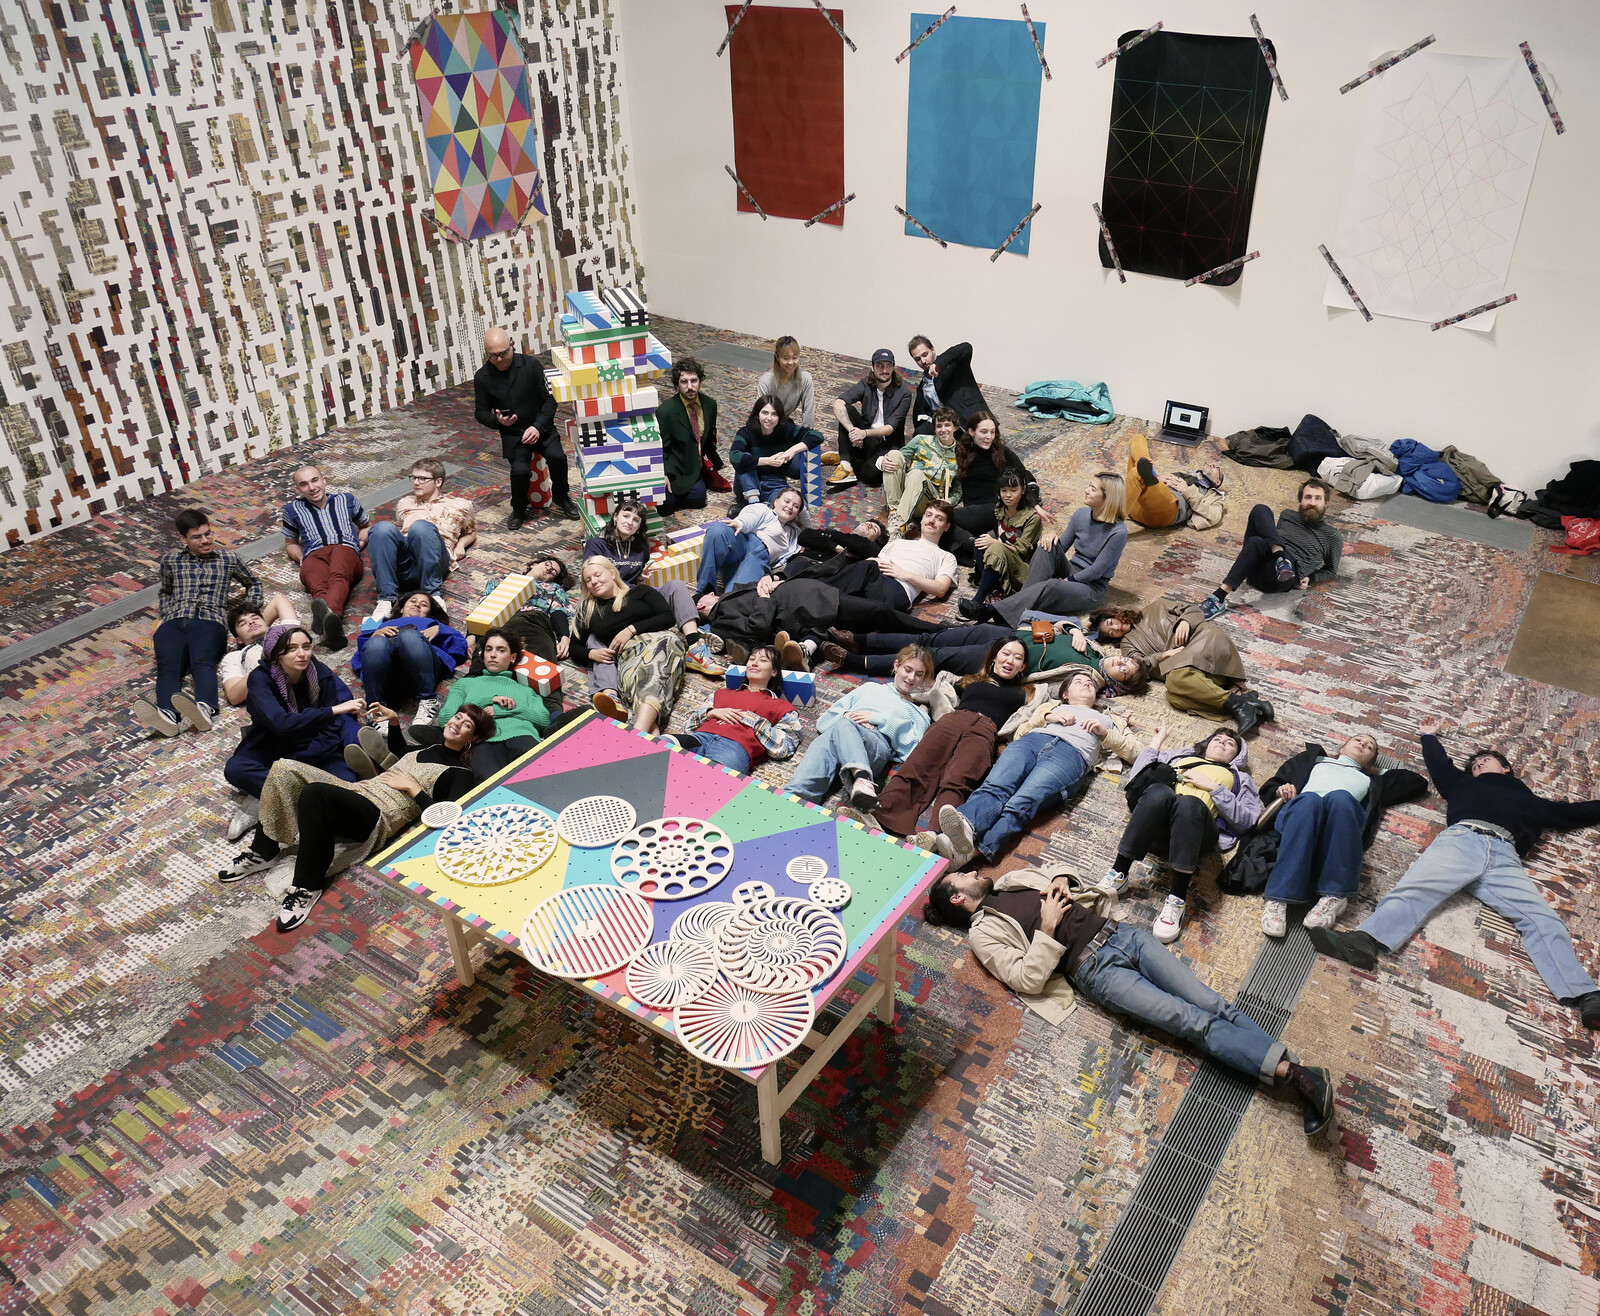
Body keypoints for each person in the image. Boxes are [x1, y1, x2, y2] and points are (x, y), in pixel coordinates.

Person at [923, 866, 1336, 1135]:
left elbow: (1058, 874)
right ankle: (1294, 1074)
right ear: (957, 898)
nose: (972, 871)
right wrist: (1047, 930)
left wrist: (1063, 879)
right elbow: (1024, 979)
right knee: (1191, 1021)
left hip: (1126, 935)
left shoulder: (1010, 880)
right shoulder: (982, 935)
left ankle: (1305, 1077)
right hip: (1096, 970)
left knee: (1213, 1004)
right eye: (962, 876)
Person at [1308, 730, 1600, 1031]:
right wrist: (1428, 737)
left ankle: (1586, 995)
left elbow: (1572, 812)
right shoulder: (1461, 783)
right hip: (1462, 839)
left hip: (1505, 855)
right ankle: (1366, 940)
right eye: (1474, 764)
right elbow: (1439, 765)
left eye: (1485, 760)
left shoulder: (1530, 800)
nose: (1478, 765)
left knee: (1541, 918)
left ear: (1506, 768)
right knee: (1415, 889)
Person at [223, 717, 492, 932]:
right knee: (282, 768)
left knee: (316, 793)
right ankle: (263, 851)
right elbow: (401, 752)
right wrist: (394, 722)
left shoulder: (461, 774)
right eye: (457, 717)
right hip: (360, 791)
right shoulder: (430, 748)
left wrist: (413, 788)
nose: (457, 723)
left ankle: (307, 886)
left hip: (379, 814)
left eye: (466, 724)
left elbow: (447, 820)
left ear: (473, 739)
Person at [934, 669, 1139, 870]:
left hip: (1071, 754)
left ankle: (971, 852)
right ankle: (966, 827)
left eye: (1090, 684)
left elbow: (1135, 752)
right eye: (1078, 681)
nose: (1086, 684)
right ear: (1065, 694)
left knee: (1021, 802)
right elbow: (1021, 731)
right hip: (1032, 742)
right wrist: (1049, 718)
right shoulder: (1053, 707)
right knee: (995, 786)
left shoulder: (1111, 719)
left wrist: (1105, 733)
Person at [1102, 727, 1262, 944]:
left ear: (1237, 755)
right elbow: (1138, 777)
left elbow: (1247, 821)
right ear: (1207, 743)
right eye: (1217, 739)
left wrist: (1214, 788)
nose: (1222, 743)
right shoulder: (1179, 758)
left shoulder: (1240, 778)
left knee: (1189, 803)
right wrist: (1157, 740)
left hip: (1198, 835)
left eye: (1230, 743)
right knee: (1158, 791)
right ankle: (1119, 872)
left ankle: (1177, 897)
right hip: (1155, 827)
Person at [1259, 734, 1427, 936]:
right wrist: (1281, 790)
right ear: (1342, 747)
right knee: (1310, 800)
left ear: (1371, 761)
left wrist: (1374, 770)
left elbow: (1418, 782)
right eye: (1358, 740)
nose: (1363, 744)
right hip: (1300, 817)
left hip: (1339, 828)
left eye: (1370, 747)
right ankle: (1278, 898)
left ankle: (1334, 896)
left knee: (1341, 797)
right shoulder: (1312, 760)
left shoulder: (1371, 780)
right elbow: (1270, 787)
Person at [870, 637, 1029, 836]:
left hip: (986, 730)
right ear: (994, 657)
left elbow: (1038, 713)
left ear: (1023, 666)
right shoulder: (970, 680)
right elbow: (933, 694)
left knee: (960, 778)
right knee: (919, 765)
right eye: (1005, 654)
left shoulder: (1025, 693)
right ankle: (883, 814)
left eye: (1017, 658)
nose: (1010, 661)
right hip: (953, 720)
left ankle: (940, 836)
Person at [132, 508, 263, 738]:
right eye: (197, 537)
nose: (205, 541)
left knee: (202, 662)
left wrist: (244, 611)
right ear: (183, 538)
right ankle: (167, 715)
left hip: (210, 621)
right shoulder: (170, 561)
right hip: (174, 621)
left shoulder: (228, 559)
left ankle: (205, 708)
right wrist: (165, 616)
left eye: (207, 534)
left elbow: (254, 584)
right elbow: (166, 592)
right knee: (168, 668)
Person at [584, 497, 724, 675]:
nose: (630, 522)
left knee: (676, 586)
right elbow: (590, 578)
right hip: (613, 604)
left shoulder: (641, 547)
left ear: (639, 526)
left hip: (635, 598)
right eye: (626, 516)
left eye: (636, 520)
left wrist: (639, 575)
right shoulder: (597, 545)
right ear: (615, 516)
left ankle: (694, 646)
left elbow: (633, 576)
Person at [223, 624, 365, 799]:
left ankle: (291, 795)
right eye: (292, 649)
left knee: (347, 783)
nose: (302, 654)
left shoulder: (321, 674)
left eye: (306, 647)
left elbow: (331, 730)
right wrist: (330, 711)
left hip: (317, 745)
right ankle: (306, 796)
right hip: (273, 743)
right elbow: (280, 723)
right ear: (276, 654)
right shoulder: (260, 679)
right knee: (236, 769)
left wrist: (301, 761)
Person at [966, 474, 1128, 627]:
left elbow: (1096, 571)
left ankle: (992, 611)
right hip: (1071, 569)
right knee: (1046, 546)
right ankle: (1019, 604)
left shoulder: (1118, 532)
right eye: (1089, 486)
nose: (1086, 490)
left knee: (1052, 586)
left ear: (1107, 498)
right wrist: (1051, 537)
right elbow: (1060, 547)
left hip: (1091, 587)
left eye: (1093, 489)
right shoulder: (1081, 514)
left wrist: (1069, 580)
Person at [786, 646, 932, 806]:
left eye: (919, 674)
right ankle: (793, 799)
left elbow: (911, 751)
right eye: (908, 670)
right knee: (831, 735)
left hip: (875, 745)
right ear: (896, 666)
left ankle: (862, 778)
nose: (911, 678)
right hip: (841, 733)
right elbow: (823, 722)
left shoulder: (919, 714)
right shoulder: (870, 688)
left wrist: (879, 719)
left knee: (842, 727)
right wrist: (846, 715)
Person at [1105, 602, 1275, 735]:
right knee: (1175, 698)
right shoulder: (1127, 645)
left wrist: (1185, 621)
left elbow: (1192, 609)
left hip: (1204, 640)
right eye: (1111, 632)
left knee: (1175, 680)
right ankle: (1244, 705)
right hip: (1186, 667)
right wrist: (1163, 656)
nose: (1116, 628)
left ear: (1115, 614)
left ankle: (1241, 705)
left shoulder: (1156, 606)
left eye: (1111, 622)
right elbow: (1140, 667)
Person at [572, 557, 687, 734]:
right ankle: (645, 732)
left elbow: (667, 617)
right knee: (647, 675)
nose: (593, 581)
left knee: (659, 657)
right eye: (588, 580)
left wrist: (631, 629)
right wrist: (592, 654)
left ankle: (637, 733)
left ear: (612, 573)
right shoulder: (588, 609)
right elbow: (574, 647)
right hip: (629, 656)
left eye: (597, 575)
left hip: (662, 642)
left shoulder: (641, 592)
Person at [473, 325, 572, 527]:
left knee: (558, 458)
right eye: (493, 356)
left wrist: (537, 427)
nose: (499, 359)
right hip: (513, 433)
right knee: (520, 471)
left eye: (503, 353)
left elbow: (550, 400)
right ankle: (519, 508)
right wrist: (498, 421)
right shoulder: (482, 377)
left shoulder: (531, 365)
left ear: (512, 345)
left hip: (541, 426)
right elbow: (480, 412)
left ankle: (562, 496)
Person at [1199, 478, 1341, 619]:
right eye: (1308, 497)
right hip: (1256, 568)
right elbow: (1271, 537)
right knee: (1260, 510)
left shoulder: (1332, 536)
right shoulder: (1287, 515)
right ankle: (1280, 557)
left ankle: (1218, 597)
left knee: (1258, 543)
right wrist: (1278, 552)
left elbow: (1331, 569)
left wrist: (1310, 578)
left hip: (1284, 578)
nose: (1312, 503)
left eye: (1318, 498)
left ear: (1326, 503)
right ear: (1300, 500)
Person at [422, 627, 552, 776]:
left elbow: (543, 721)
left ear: (513, 657)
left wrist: (501, 710)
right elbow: (446, 718)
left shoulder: (527, 690)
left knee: (539, 774)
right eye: (488, 649)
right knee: (486, 783)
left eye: (501, 650)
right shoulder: (464, 684)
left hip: (522, 736)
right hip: (482, 741)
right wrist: (487, 702)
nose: (493, 655)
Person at [368, 459, 477, 622]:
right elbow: (398, 531)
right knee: (381, 528)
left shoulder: (461, 505)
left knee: (421, 527)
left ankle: (432, 594)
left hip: (435, 558)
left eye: (422, 479)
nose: (416, 483)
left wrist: (460, 545)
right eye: (413, 478)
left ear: (438, 482)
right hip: (406, 563)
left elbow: (471, 532)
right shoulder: (404, 503)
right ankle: (386, 599)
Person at [668, 645, 802, 774]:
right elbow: (688, 726)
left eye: (763, 660)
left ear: (774, 672)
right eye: (752, 659)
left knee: (711, 780)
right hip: (700, 737)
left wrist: (754, 721)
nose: (754, 663)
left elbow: (786, 746)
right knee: (662, 744)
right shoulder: (721, 693)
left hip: (733, 747)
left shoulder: (782, 707)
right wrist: (711, 713)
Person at [280, 465, 369, 649]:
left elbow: (366, 525)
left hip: (344, 548)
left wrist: (359, 543)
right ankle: (333, 632)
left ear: (324, 480)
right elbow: (290, 543)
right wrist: (301, 558)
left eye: (315, 480)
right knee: (318, 588)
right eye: (304, 484)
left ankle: (330, 616)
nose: (312, 488)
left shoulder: (346, 499)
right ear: (298, 489)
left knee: (338, 576)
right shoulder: (291, 510)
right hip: (314, 554)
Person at [350, 590, 468, 724]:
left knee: (409, 636)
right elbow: (359, 659)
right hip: (388, 675)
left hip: (422, 670)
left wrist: (439, 630)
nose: (417, 605)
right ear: (401, 609)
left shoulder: (432, 624)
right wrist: (374, 636)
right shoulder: (383, 626)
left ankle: (428, 699)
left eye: (424, 604)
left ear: (429, 614)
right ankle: (375, 708)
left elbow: (460, 647)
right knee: (376, 643)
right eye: (413, 601)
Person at [696, 488, 808, 599]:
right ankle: (704, 591)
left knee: (737, 598)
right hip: (742, 543)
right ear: (776, 501)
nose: (790, 507)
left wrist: (800, 506)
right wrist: (740, 523)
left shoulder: (795, 533)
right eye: (787, 501)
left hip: (758, 560)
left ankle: (715, 606)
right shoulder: (765, 510)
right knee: (718, 530)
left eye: (795, 506)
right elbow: (751, 517)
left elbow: (809, 526)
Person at [827, 348, 912, 489]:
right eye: (880, 366)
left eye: (888, 366)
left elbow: (889, 428)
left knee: (872, 477)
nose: (884, 370)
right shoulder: (866, 384)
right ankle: (845, 466)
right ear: (872, 367)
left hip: (887, 445)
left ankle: (847, 457)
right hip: (865, 440)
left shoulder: (904, 393)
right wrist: (853, 431)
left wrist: (864, 433)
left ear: (893, 368)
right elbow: (838, 404)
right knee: (846, 410)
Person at [952, 411, 1034, 546]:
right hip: (971, 511)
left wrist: (1034, 502)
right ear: (971, 432)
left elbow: (1026, 475)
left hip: (995, 509)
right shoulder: (961, 451)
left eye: (992, 432)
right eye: (984, 432)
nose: (989, 437)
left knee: (944, 517)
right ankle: (978, 543)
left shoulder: (1001, 451)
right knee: (940, 525)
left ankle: (977, 543)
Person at [967, 469, 1043, 611]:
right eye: (1004, 490)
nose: (1008, 495)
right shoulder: (1000, 509)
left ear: (1023, 490)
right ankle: (994, 589)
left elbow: (1021, 550)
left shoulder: (1033, 518)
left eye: (1013, 490)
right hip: (1001, 560)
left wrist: (996, 543)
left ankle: (977, 601)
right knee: (980, 541)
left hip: (1021, 568)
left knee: (994, 547)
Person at [729, 395, 823, 507]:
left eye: (774, 414)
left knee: (797, 507)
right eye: (765, 413)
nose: (769, 418)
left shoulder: (786, 429)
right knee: (744, 458)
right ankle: (755, 505)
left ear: (779, 417)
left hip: (774, 483)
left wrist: (792, 451)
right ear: (757, 415)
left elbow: (817, 436)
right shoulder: (746, 432)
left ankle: (759, 507)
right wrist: (768, 461)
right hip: (747, 484)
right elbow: (734, 456)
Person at [881, 407, 960, 534]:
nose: (943, 429)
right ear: (934, 429)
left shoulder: (961, 453)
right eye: (939, 426)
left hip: (928, 500)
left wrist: (948, 502)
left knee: (917, 474)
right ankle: (894, 512)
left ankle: (898, 525)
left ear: (955, 427)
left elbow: (958, 490)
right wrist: (883, 461)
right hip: (906, 488)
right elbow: (898, 459)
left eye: (947, 425)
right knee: (893, 454)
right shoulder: (921, 440)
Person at [1124, 434, 1227, 531]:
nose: (1211, 465)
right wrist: (1158, 477)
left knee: (1138, 474)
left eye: (1216, 467)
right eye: (1208, 464)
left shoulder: (1215, 497)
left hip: (1164, 511)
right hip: (1135, 505)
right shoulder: (1185, 475)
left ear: (1217, 482)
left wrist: (1187, 490)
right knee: (1138, 440)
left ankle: (1116, 521)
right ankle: (1150, 470)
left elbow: (1214, 516)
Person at [656, 357, 716, 511]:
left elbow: (709, 439)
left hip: (693, 463)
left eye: (693, 380)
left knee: (698, 498)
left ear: (700, 381)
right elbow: (662, 449)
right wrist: (664, 473)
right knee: (665, 505)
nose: (690, 387)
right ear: (677, 385)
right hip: (674, 466)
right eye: (684, 382)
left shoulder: (710, 404)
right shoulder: (666, 411)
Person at [874, 502, 958, 608]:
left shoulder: (946, 557)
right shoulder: (897, 542)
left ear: (946, 527)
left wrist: (906, 575)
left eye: (939, 519)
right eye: (928, 515)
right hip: (873, 574)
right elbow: (876, 561)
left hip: (897, 587)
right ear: (922, 519)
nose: (931, 521)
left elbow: (941, 589)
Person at [220, 595, 301, 706]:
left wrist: (263, 628)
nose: (251, 622)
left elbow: (279, 599)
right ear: (238, 640)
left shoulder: (283, 633)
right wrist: (268, 663)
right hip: (275, 694)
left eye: (255, 618)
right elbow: (234, 696)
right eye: (243, 623)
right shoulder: (235, 656)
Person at [907, 336, 984, 434]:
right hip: (948, 431)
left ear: (932, 350)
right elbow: (919, 418)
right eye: (918, 359)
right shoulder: (923, 387)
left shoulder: (954, 365)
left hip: (974, 421)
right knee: (920, 433)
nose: (923, 361)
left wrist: (938, 364)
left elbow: (966, 347)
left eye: (925, 355)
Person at [506, 555, 574, 661]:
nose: (548, 569)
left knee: (541, 664)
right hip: (500, 621)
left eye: (552, 572)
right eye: (547, 564)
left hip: (532, 622)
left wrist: (564, 638)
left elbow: (558, 612)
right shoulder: (502, 581)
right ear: (534, 565)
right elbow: (484, 607)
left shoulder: (553, 588)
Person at [755, 335, 816, 431]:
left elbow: (809, 413)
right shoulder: (766, 380)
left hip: (783, 422)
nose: (790, 362)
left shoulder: (805, 379)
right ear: (777, 357)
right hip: (766, 424)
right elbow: (760, 413)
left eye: (794, 358)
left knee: (816, 437)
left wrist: (806, 436)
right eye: (786, 358)